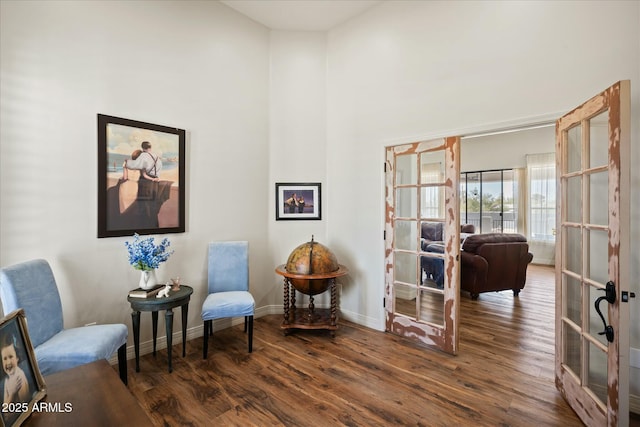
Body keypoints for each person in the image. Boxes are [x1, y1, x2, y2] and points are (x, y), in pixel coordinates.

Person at [1, 334, 29, 405]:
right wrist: (12, 394)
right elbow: (5, 412)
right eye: (5, 358)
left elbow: (25, 405)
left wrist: (11, 395)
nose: (8, 362)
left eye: (11, 357)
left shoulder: (19, 377)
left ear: (17, 358)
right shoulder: (7, 380)